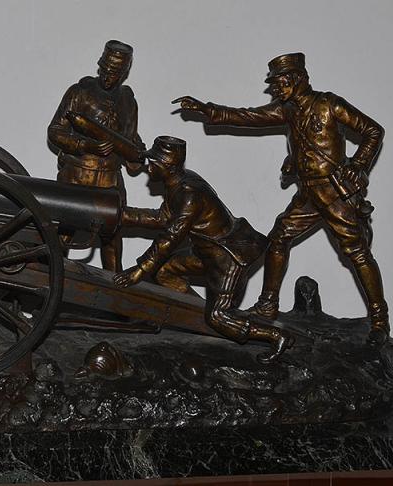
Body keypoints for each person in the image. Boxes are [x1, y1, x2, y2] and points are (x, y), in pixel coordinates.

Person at [174, 52, 389, 345]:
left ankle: (379, 319)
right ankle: (268, 304)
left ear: (297, 80)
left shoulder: (329, 104)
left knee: (357, 253)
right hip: (309, 194)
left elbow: (373, 131)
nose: (275, 90)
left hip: (335, 192)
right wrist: (208, 110)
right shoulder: (288, 110)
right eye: (274, 86)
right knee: (278, 238)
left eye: (279, 84)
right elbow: (250, 116)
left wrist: (357, 165)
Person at [114, 136, 293, 364]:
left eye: (153, 163)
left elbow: (170, 237)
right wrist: (120, 214)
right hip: (206, 251)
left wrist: (139, 270)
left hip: (227, 257)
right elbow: (163, 218)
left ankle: (277, 336)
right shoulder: (179, 184)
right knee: (165, 272)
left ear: (167, 167)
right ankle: (196, 314)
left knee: (218, 316)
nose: (148, 169)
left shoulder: (189, 194)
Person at [48, 40, 145, 271]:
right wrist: (86, 145)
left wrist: (138, 153)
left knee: (112, 238)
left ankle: (115, 289)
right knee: (63, 234)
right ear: (99, 65)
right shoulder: (80, 92)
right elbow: (55, 131)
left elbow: (130, 138)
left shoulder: (128, 101)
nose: (108, 77)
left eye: (115, 73)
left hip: (110, 179)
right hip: (76, 175)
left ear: (124, 73)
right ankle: (53, 277)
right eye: (105, 70)